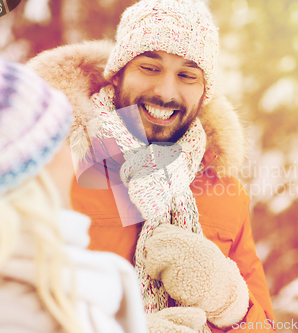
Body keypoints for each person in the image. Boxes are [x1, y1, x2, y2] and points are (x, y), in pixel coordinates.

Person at [28, 0, 276, 331]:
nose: (165, 92)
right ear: (117, 74)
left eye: (187, 75)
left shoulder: (223, 190)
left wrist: (231, 303)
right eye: (149, 67)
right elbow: (1, 308)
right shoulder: (57, 168)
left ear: (205, 93)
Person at [0, 34, 147, 333]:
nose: (71, 157)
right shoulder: (11, 316)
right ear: (25, 172)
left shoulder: (6, 286)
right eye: (57, 140)